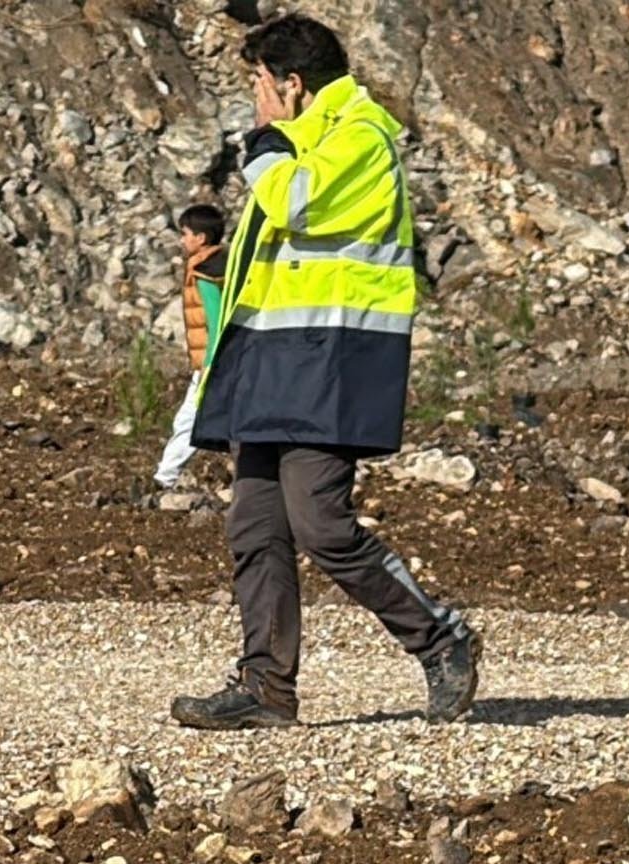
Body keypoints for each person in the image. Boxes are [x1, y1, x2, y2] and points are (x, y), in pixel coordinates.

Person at [175, 14, 480, 731]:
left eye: (258, 81)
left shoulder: (357, 138)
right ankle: (266, 688)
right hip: (275, 357)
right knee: (254, 523)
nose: (254, 96)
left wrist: (263, 147)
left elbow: (294, 205)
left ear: (291, 83)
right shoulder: (306, 142)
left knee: (321, 523)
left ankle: (441, 639)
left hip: (331, 360)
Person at [154, 202, 232, 490]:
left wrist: (210, 365)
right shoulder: (224, 263)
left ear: (201, 238)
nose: (182, 240)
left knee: (189, 418)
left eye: (185, 234)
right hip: (225, 359)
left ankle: (165, 478)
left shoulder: (205, 272)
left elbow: (215, 319)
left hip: (214, 362)